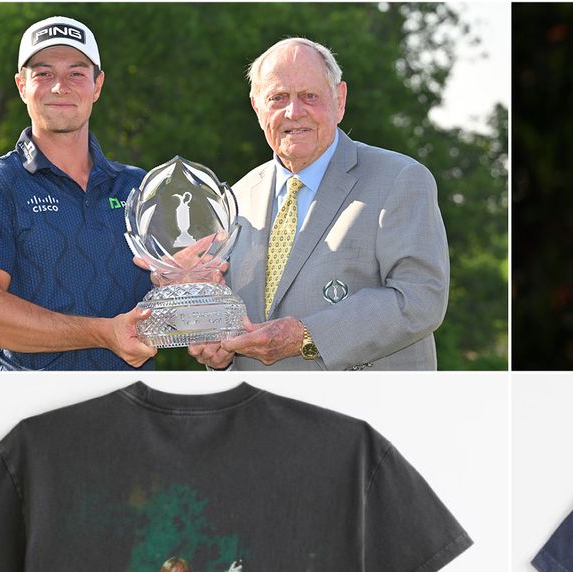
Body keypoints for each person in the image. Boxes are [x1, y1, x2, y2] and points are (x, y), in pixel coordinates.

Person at [187, 38, 450, 371]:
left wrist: (307, 337)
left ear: (339, 100)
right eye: (277, 98)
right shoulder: (234, 201)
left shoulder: (400, 179)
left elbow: (420, 299)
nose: (294, 112)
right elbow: (231, 321)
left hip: (365, 414)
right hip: (262, 414)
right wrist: (219, 353)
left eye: (309, 96)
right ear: (257, 107)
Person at [0, 16, 157, 370]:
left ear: (97, 85)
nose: (60, 87)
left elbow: (168, 293)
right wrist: (103, 332)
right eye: (44, 74)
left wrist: (195, 285)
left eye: (76, 73)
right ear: (21, 85)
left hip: (130, 408)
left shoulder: (140, 186)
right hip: (30, 410)